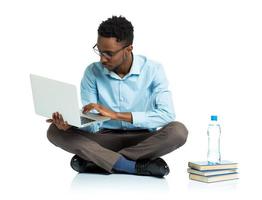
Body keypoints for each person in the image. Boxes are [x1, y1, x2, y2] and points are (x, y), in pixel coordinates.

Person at [46, 16, 188, 178]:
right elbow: (92, 127)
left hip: (143, 140)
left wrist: (115, 115)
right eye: (99, 51)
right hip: (104, 139)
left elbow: (166, 115)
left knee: (178, 131)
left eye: (109, 54)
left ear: (128, 49)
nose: (102, 59)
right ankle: (130, 166)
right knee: (54, 131)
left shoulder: (153, 70)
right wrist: (70, 125)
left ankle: (99, 161)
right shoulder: (92, 72)